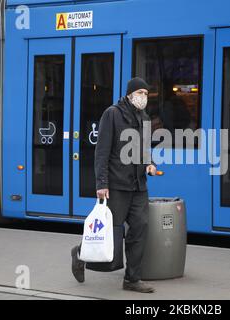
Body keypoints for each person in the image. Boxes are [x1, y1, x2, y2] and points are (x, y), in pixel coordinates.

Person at [71, 77, 157, 293]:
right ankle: (80, 254)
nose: (144, 97)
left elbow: (145, 151)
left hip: (139, 186)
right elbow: (101, 152)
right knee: (110, 232)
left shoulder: (145, 117)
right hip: (117, 185)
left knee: (139, 229)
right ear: (130, 94)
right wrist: (102, 183)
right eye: (140, 93)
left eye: (146, 94)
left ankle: (132, 279)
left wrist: (150, 164)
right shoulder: (112, 114)